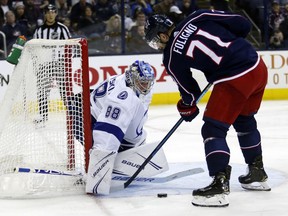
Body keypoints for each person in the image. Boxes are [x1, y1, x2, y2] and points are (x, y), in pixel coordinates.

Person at [144, 10, 271, 207]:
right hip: (256, 65)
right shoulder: (196, 15)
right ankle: (257, 173)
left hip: (234, 78)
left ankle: (218, 186)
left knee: (213, 129)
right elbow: (241, 23)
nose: (159, 46)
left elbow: (190, 93)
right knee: (244, 121)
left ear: (162, 34)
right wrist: (232, 48)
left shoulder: (170, 56)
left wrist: (186, 108)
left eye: (156, 41)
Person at [85, 60, 158, 195]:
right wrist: (101, 161)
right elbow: (108, 130)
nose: (145, 86)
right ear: (132, 78)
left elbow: (139, 111)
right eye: (142, 82)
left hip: (95, 114)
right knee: (127, 140)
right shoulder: (122, 95)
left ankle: (124, 157)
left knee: (139, 138)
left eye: (148, 82)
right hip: (90, 123)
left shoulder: (132, 85)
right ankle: (116, 159)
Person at [33, 4, 71, 124]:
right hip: (44, 64)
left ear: (56, 14)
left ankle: (71, 115)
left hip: (59, 63)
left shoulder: (63, 29)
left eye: (53, 12)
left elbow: (70, 45)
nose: (50, 15)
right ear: (44, 14)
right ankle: (43, 117)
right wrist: (36, 65)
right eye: (48, 12)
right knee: (43, 91)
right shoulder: (38, 31)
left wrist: (67, 62)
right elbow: (34, 49)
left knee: (64, 90)